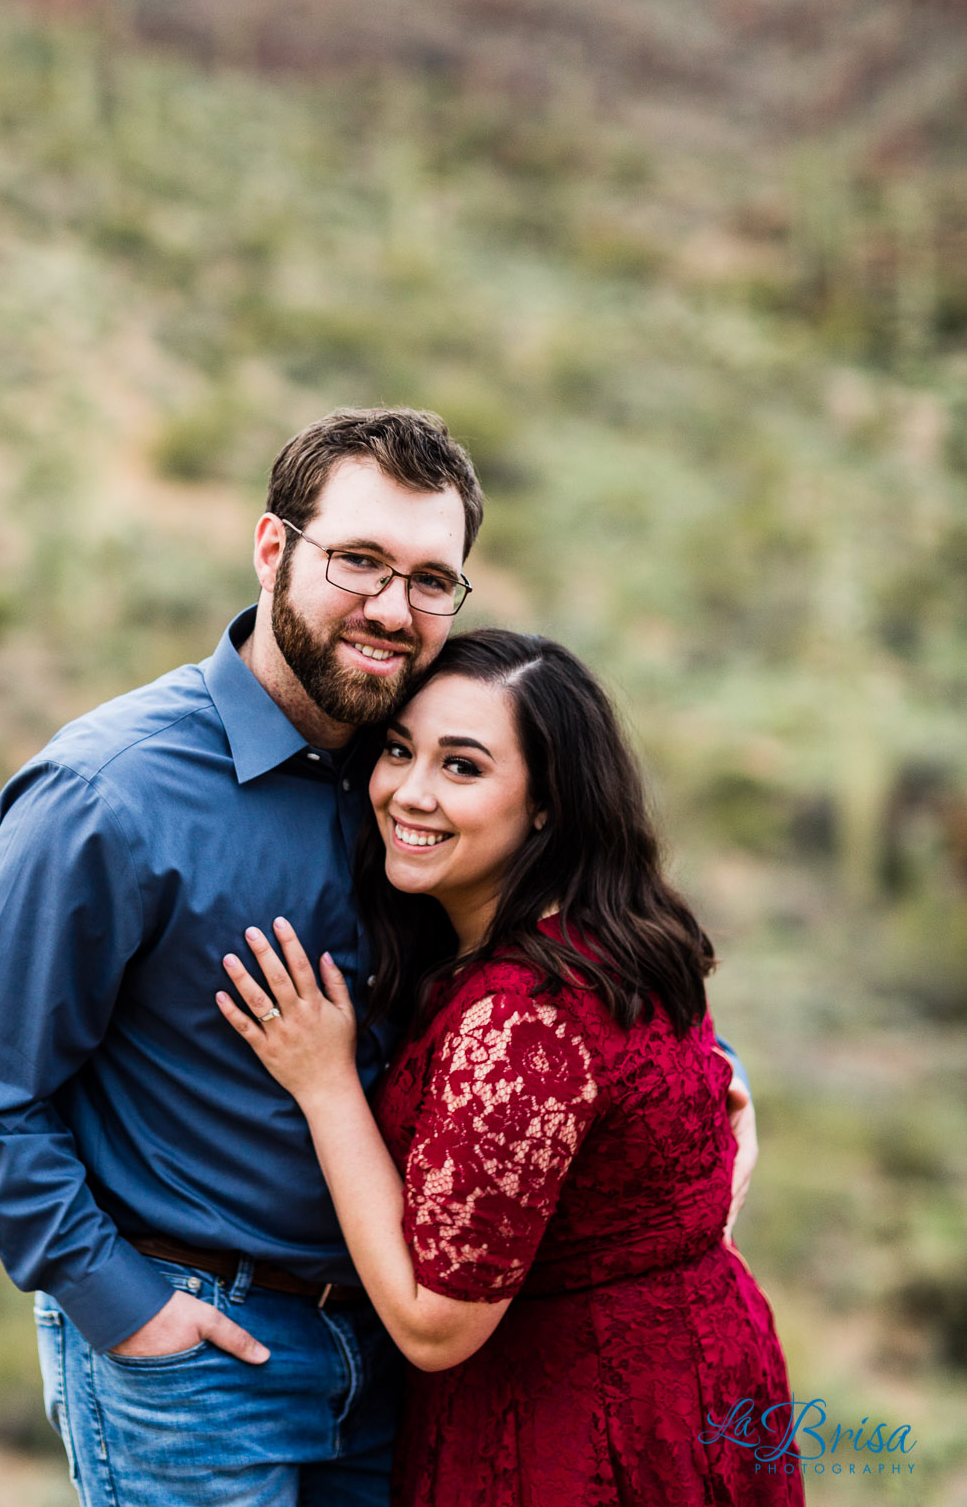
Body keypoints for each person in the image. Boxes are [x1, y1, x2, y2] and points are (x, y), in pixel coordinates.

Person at [0, 409, 756, 1506]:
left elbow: (551, 951)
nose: (393, 608)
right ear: (273, 550)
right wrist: (126, 1305)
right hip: (204, 1359)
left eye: (430, 577)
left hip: (406, 1352)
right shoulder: (107, 795)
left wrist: (689, 1095)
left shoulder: (426, 771)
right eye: (359, 560)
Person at [219, 628, 798, 1506]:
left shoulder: (525, 1019)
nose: (408, 793)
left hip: (576, 1424)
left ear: (546, 805)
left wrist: (323, 1081)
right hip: (699, 1372)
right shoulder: (619, 929)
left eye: (462, 768)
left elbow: (432, 1326)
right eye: (400, 751)